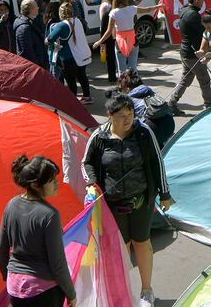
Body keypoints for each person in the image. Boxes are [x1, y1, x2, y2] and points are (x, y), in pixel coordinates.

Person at [83, 94, 172, 307]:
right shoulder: (99, 137)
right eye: (121, 115)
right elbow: (87, 163)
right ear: (109, 115)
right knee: (120, 249)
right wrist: (91, 183)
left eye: (130, 114)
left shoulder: (143, 132)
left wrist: (165, 193)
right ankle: (121, 292)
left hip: (141, 201)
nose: (127, 120)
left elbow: (157, 162)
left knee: (142, 244)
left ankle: (146, 290)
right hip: (112, 206)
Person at [0, 155, 76, 307]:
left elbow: (1, 249)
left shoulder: (11, 205)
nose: (56, 183)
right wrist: (71, 294)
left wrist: (8, 277)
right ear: (34, 184)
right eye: (51, 180)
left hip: (14, 289)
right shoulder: (50, 214)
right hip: (43, 292)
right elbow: (57, 264)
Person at [167, 0, 211, 116]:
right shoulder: (193, 15)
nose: (203, 2)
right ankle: (209, 107)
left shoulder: (184, 10)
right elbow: (206, 30)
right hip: (193, 53)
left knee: (185, 80)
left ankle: (171, 104)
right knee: (204, 80)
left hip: (186, 51)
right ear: (195, 0)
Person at [93, 0, 161, 75]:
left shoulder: (113, 12)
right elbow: (147, 9)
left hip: (120, 41)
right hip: (133, 40)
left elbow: (109, 31)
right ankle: (135, 86)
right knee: (133, 68)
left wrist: (99, 42)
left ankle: (123, 87)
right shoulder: (132, 8)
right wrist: (158, 6)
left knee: (122, 70)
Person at [46, 2, 93, 103]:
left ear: (60, 13)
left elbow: (49, 39)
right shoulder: (78, 21)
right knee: (82, 76)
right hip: (82, 54)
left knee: (71, 80)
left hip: (70, 57)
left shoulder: (62, 25)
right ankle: (87, 97)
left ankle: (73, 103)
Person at [117, 70, 175, 148]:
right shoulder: (150, 92)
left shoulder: (129, 100)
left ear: (127, 88)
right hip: (170, 124)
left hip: (152, 129)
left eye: (121, 89)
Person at [15, 0, 49, 69]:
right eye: (36, 6)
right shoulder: (24, 27)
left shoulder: (31, 22)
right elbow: (28, 52)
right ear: (31, 9)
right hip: (34, 68)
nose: (38, 8)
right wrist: (38, 68)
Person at [98, 0, 118, 83]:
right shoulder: (106, 6)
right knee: (110, 57)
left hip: (110, 32)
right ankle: (112, 77)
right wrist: (102, 40)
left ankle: (113, 76)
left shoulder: (109, 4)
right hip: (107, 32)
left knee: (111, 56)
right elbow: (104, 21)